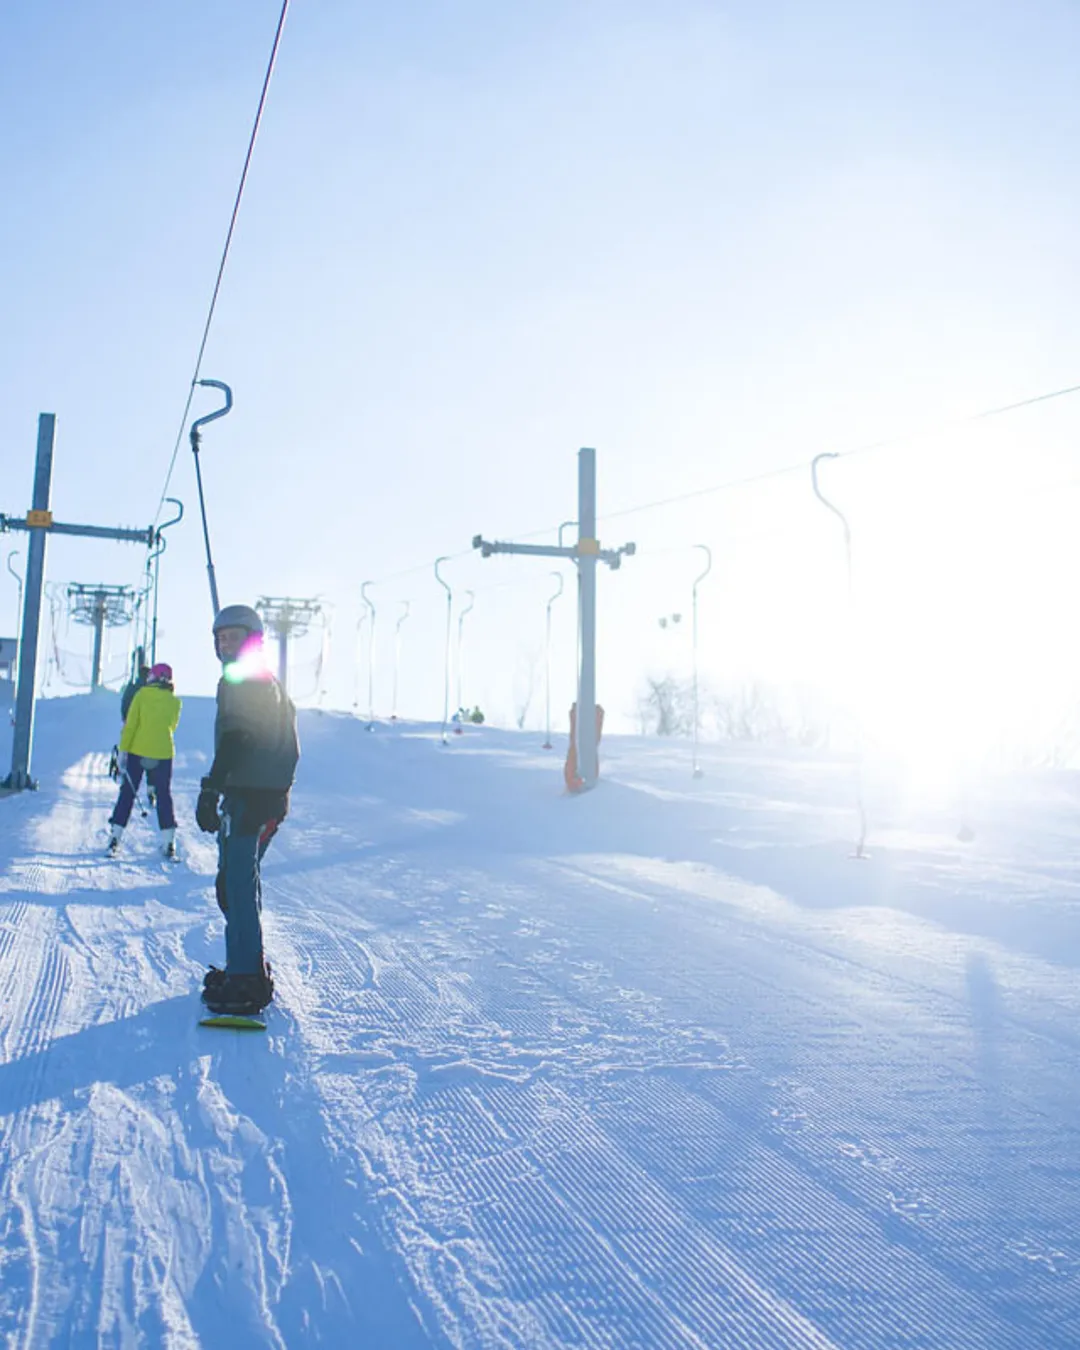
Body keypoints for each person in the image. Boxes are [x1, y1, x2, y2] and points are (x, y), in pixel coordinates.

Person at [197, 604, 299, 1017]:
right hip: (255, 795)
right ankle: (246, 966)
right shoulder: (256, 677)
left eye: (233, 637)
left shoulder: (246, 678)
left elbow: (239, 737)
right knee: (237, 883)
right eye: (220, 638)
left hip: (254, 798)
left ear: (252, 640)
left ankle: (247, 982)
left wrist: (211, 787)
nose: (225, 644)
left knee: (236, 886)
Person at [107, 663, 181, 857]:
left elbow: (131, 725)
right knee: (164, 794)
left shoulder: (141, 695)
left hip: (137, 751)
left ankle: (115, 836)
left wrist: (123, 752)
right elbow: (172, 726)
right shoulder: (175, 701)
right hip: (164, 753)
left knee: (128, 794)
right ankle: (169, 842)